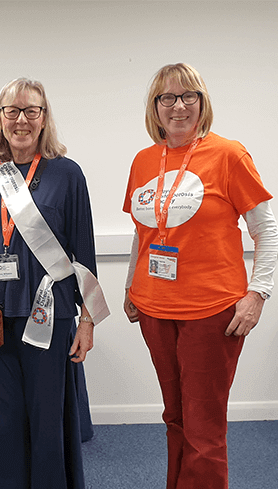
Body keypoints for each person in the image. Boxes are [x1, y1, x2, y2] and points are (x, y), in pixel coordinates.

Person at [0, 77, 107, 489]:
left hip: (49, 312)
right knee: (4, 420)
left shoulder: (68, 173)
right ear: (0, 117)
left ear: (45, 119)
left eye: (32, 111)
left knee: (47, 422)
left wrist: (87, 320)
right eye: (12, 111)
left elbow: (84, 249)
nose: (21, 120)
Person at [123, 63, 278, 489]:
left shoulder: (229, 155)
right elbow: (144, 230)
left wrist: (258, 293)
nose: (178, 106)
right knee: (174, 416)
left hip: (212, 311)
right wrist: (130, 286)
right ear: (154, 108)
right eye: (167, 98)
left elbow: (267, 229)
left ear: (202, 102)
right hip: (154, 308)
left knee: (204, 425)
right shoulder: (143, 161)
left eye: (188, 95)